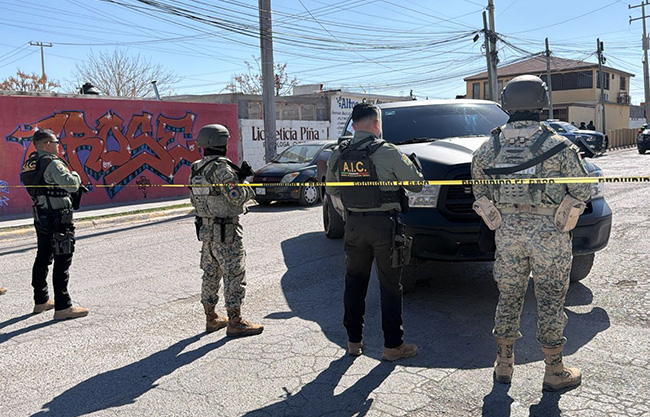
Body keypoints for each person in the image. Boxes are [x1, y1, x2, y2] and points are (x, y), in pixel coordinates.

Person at [471, 75, 592, 391]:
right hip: (550, 235)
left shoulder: (489, 147)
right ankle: (554, 370)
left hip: (508, 235)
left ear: (506, 104)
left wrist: (500, 216)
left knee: (508, 296)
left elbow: (480, 193)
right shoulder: (559, 145)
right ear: (542, 103)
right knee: (550, 300)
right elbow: (584, 189)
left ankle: (503, 365)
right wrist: (564, 209)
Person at [325, 103, 424, 361]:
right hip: (384, 228)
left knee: (354, 284)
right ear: (377, 124)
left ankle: (353, 342)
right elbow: (416, 185)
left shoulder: (339, 152)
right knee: (390, 286)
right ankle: (393, 346)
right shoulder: (388, 151)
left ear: (353, 125)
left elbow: (332, 190)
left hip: (354, 226)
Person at [189, 124, 263, 337]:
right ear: (222, 142)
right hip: (227, 233)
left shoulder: (196, 168)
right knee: (234, 274)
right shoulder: (222, 169)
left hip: (206, 232)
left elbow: (202, 196)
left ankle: (211, 317)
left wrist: (237, 179)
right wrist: (247, 187)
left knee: (210, 274)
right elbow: (236, 197)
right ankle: (235, 321)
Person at [20, 129, 89, 320]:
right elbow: (71, 184)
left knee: (42, 257)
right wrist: (75, 174)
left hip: (41, 215)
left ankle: (41, 300)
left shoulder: (29, 164)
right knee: (62, 260)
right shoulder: (52, 163)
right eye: (56, 142)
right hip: (58, 218)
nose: (59, 145)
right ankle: (63, 306)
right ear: (47, 144)